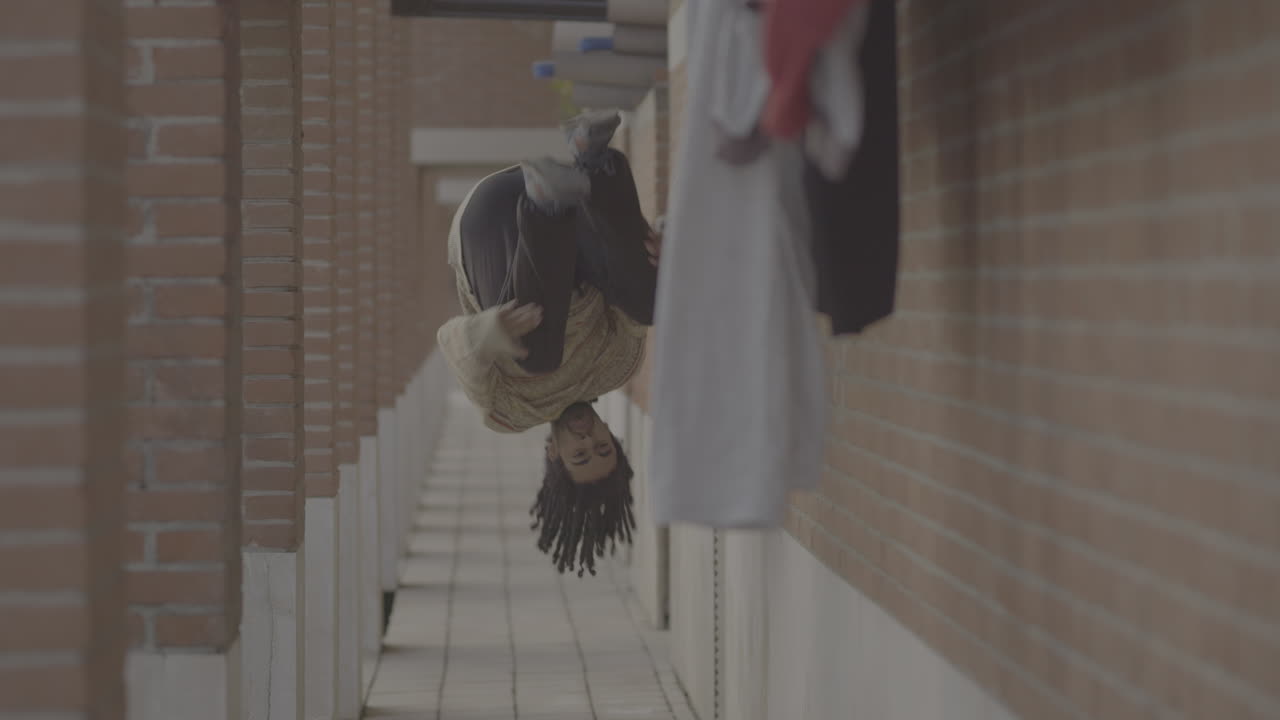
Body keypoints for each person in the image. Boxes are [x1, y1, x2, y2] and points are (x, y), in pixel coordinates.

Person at [436, 110, 662, 576]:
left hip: (492, 228)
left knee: (537, 355)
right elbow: (632, 279)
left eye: (580, 454)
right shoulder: (620, 365)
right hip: (569, 214)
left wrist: (491, 330)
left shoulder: (509, 412)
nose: (588, 438)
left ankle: (546, 205)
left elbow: (452, 342)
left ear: (553, 454)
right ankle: (594, 161)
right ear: (613, 440)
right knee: (654, 307)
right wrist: (666, 249)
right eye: (603, 448)